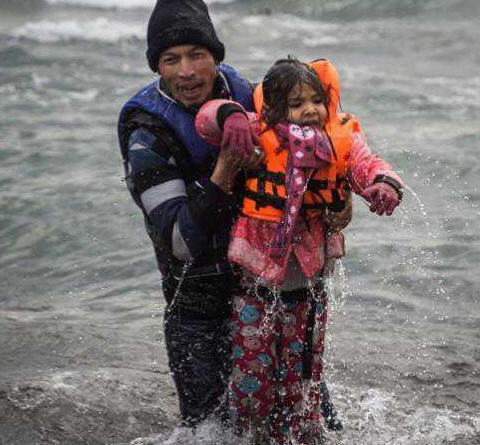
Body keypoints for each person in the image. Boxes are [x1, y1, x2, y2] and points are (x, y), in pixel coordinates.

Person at [116, 0, 346, 429]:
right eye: (171, 59)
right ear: (158, 67)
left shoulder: (252, 97)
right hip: (199, 305)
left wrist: (339, 203)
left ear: (216, 57)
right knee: (211, 433)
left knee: (313, 425)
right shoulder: (147, 133)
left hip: (273, 291)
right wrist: (226, 168)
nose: (187, 70)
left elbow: (322, 154)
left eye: (197, 55)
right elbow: (181, 244)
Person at [195, 57, 403, 444]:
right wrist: (229, 115)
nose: (309, 110)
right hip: (255, 289)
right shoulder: (256, 136)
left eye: (316, 100)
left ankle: (301, 435)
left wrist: (383, 183)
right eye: (295, 104)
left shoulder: (337, 137)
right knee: (253, 381)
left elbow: (365, 162)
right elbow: (204, 121)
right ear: (273, 110)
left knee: (304, 379)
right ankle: (250, 436)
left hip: (309, 290)